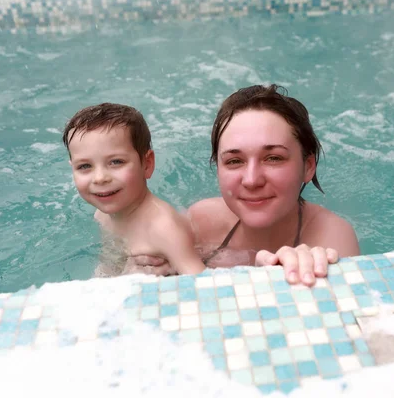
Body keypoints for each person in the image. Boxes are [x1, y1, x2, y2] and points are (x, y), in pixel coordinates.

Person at [136, 84, 360, 286]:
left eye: (274, 158)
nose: (252, 180)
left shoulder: (332, 238)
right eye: (234, 161)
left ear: (308, 166)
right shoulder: (200, 222)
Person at [62, 103, 206, 277]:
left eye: (116, 162)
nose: (100, 178)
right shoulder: (102, 215)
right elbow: (108, 266)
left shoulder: (164, 229)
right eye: (85, 166)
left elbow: (204, 285)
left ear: (147, 164)